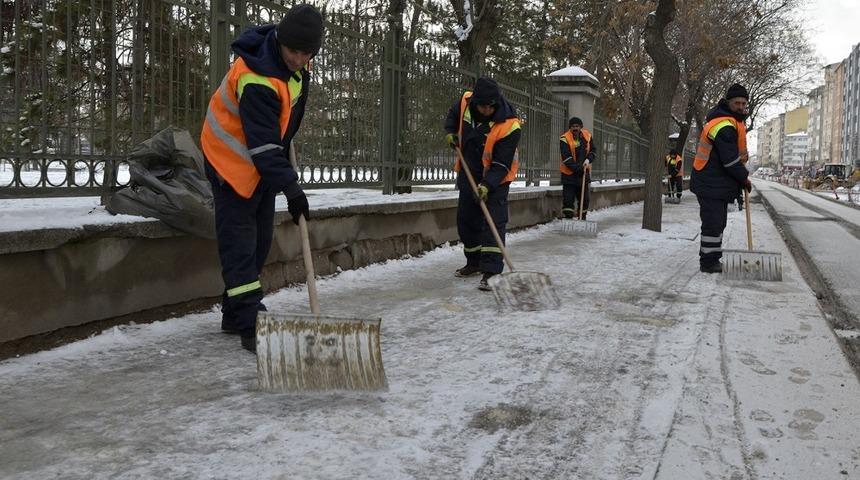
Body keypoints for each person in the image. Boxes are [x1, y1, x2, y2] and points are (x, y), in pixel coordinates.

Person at [200, 4, 324, 352]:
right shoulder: (256, 78)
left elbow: (278, 128)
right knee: (240, 246)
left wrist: (282, 157)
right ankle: (249, 320)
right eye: (293, 51)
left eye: (306, 53)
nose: (299, 59)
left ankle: (234, 311)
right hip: (229, 161)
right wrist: (292, 189)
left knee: (259, 242)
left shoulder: (294, 66)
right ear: (280, 40)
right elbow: (264, 144)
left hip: (261, 163)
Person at [444, 77, 522, 291]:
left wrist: (487, 185)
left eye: (491, 106)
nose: (487, 110)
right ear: (475, 102)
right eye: (483, 106)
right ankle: (474, 262)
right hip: (468, 171)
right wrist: (450, 132)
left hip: (497, 178)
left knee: (493, 223)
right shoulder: (464, 102)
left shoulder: (510, 125)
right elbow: (452, 116)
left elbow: (502, 163)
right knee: (466, 220)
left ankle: (492, 272)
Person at [690, 83, 753, 274]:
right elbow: (730, 160)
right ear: (728, 102)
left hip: (716, 184)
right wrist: (744, 179)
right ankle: (708, 262)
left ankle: (712, 259)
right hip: (709, 183)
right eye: (737, 103)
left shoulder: (732, 122)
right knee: (713, 223)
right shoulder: (723, 125)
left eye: (743, 103)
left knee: (718, 223)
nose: (741, 107)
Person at [559, 117, 597, 219]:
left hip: (583, 174)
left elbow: (593, 151)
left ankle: (582, 217)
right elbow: (566, 157)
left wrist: (588, 159)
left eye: (577, 126)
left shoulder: (587, 136)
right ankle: (568, 219)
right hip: (569, 175)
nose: (575, 128)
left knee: (584, 200)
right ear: (570, 128)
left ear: (581, 127)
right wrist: (578, 168)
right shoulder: (564, 138)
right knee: (568, 200)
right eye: (573, 126)